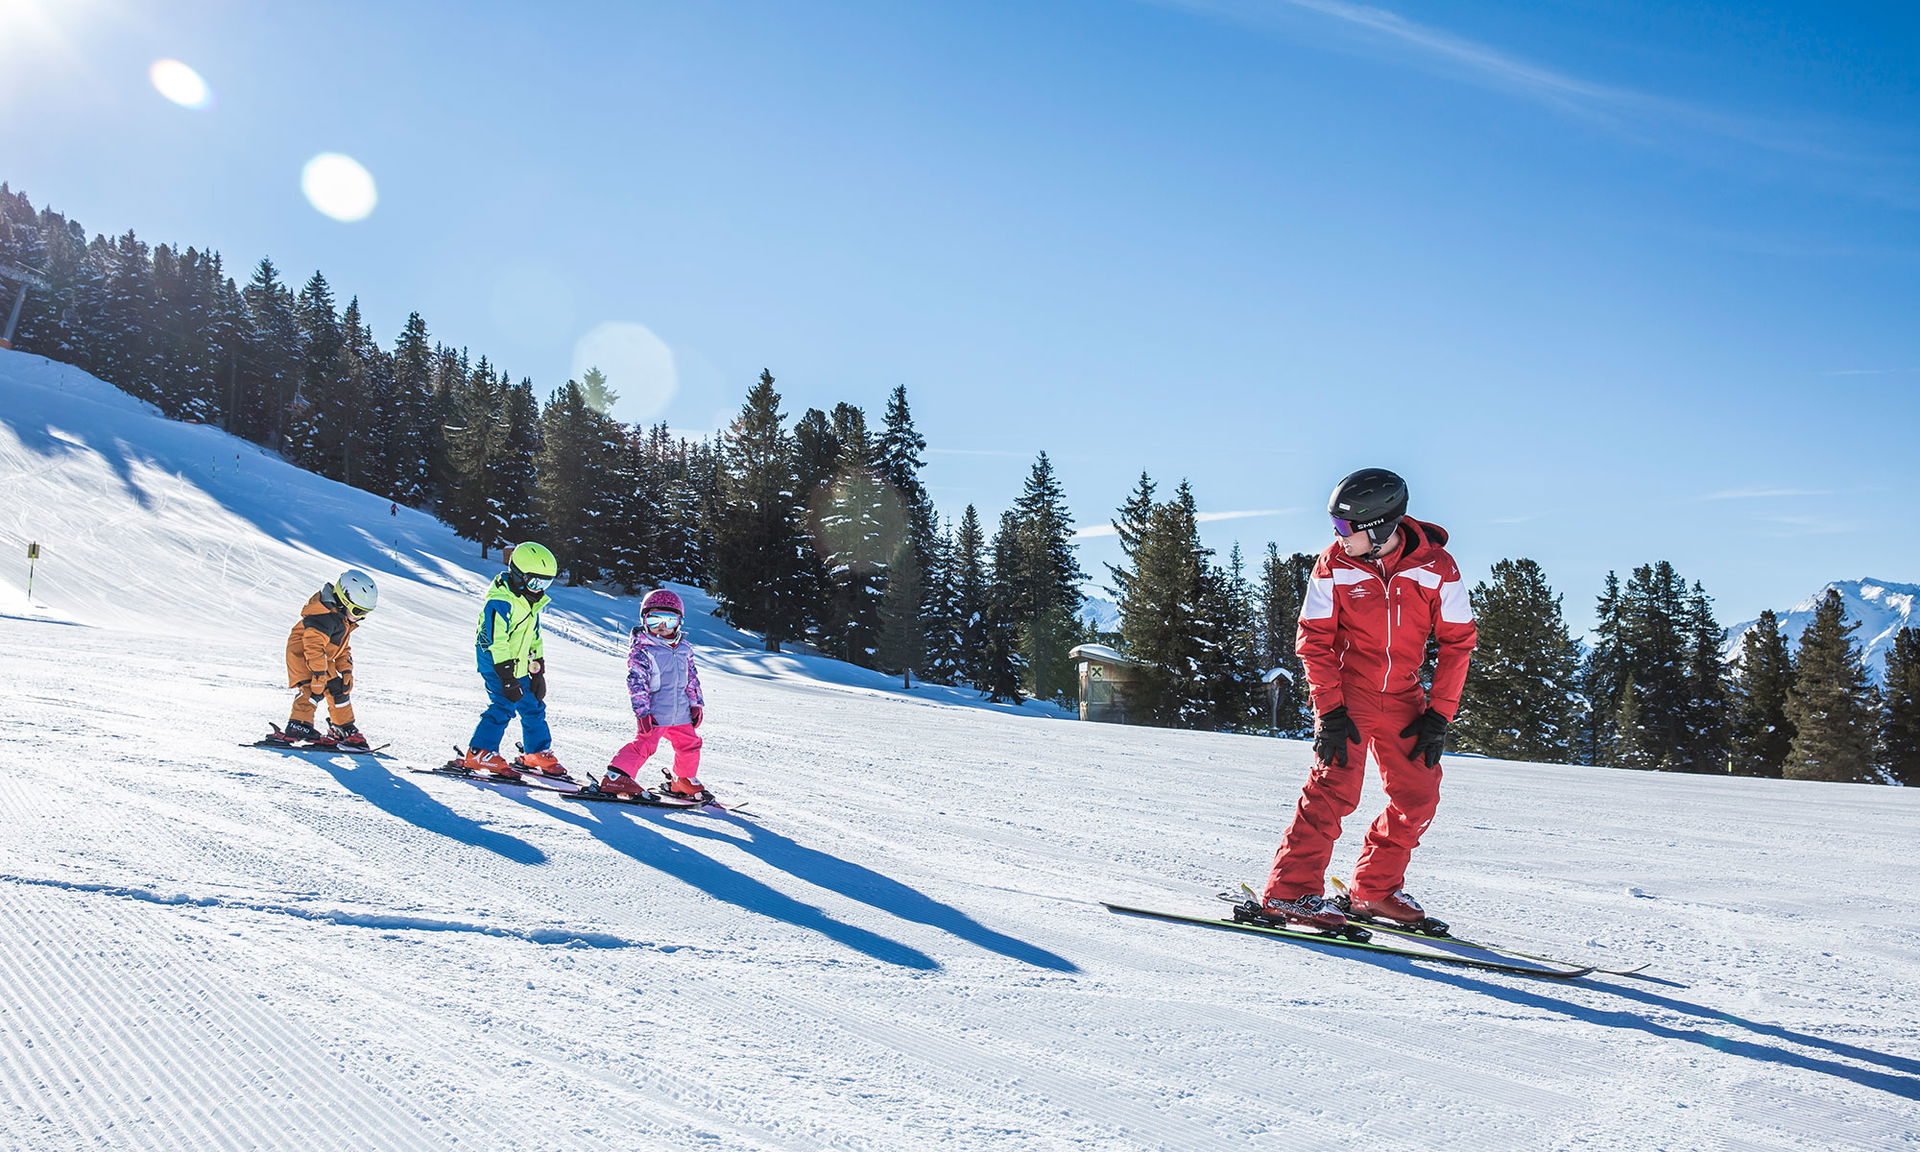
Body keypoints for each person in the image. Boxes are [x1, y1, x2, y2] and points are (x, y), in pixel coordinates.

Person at [1253, 468, 1476, 930]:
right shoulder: (1333, 565)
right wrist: (1329, 710)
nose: (1336, 537)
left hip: (1404, 697)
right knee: (1333, 790)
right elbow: (1313, 640)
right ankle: (1290, 893)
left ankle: (1375, 890)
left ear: (1378, 528)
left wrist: (1439, 715)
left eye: (1343, 528)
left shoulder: (1439, 568)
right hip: (1348, 695)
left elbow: (1459, 642)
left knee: (1418, 797)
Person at [585, 589, 711, 802]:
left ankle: (683, 779)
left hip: (681, 712)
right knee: (645, 745)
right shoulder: (643, 650)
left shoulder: (684, 649)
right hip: (656, 713)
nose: (661, 628)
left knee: (690, 745)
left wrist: (696, 704)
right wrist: (642, 712)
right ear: (644, 621)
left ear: (679, 622)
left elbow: (691, 678)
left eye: (668, 621)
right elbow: (636, 683)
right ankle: (617, 776)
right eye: (654, 621)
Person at [456, 541, 567, 780]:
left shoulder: (530, 601)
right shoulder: (500, 601)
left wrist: (538, 672)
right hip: (496, 663)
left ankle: (536, 752)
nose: (540, 589)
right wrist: (506, 677)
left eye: (546, 583)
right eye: (536, 582)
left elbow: (534, 636)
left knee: (533, 705)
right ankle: (480, 751)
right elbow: (497, 641)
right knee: (504, 705)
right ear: (518, 574)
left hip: (518, 664)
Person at [269, 570, 377, 751]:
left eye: (364, 614)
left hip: (322, 658)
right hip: (303, 656)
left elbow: (342, 649)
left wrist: (346, 671)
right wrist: (318, 674)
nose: (360, 618)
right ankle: (298, 726)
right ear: (344, 601)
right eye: (357, 611)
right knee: (313, 689)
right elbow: (312, 646)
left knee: (338, 689)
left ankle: (343, 728)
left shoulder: (342, 620)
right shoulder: (323, 618)